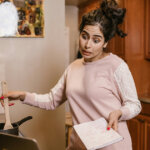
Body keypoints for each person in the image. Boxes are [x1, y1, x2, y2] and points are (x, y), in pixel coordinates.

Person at [0, 0, 141, 149]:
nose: (87, 45)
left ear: (105, 43)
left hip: (112, 146)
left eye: (96, 40)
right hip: (80, 145)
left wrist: (119, 112)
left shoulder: (117, 66)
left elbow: (134, 104)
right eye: (84, 36)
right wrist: (23, 95)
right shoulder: (73, 67)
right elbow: (52, 100)